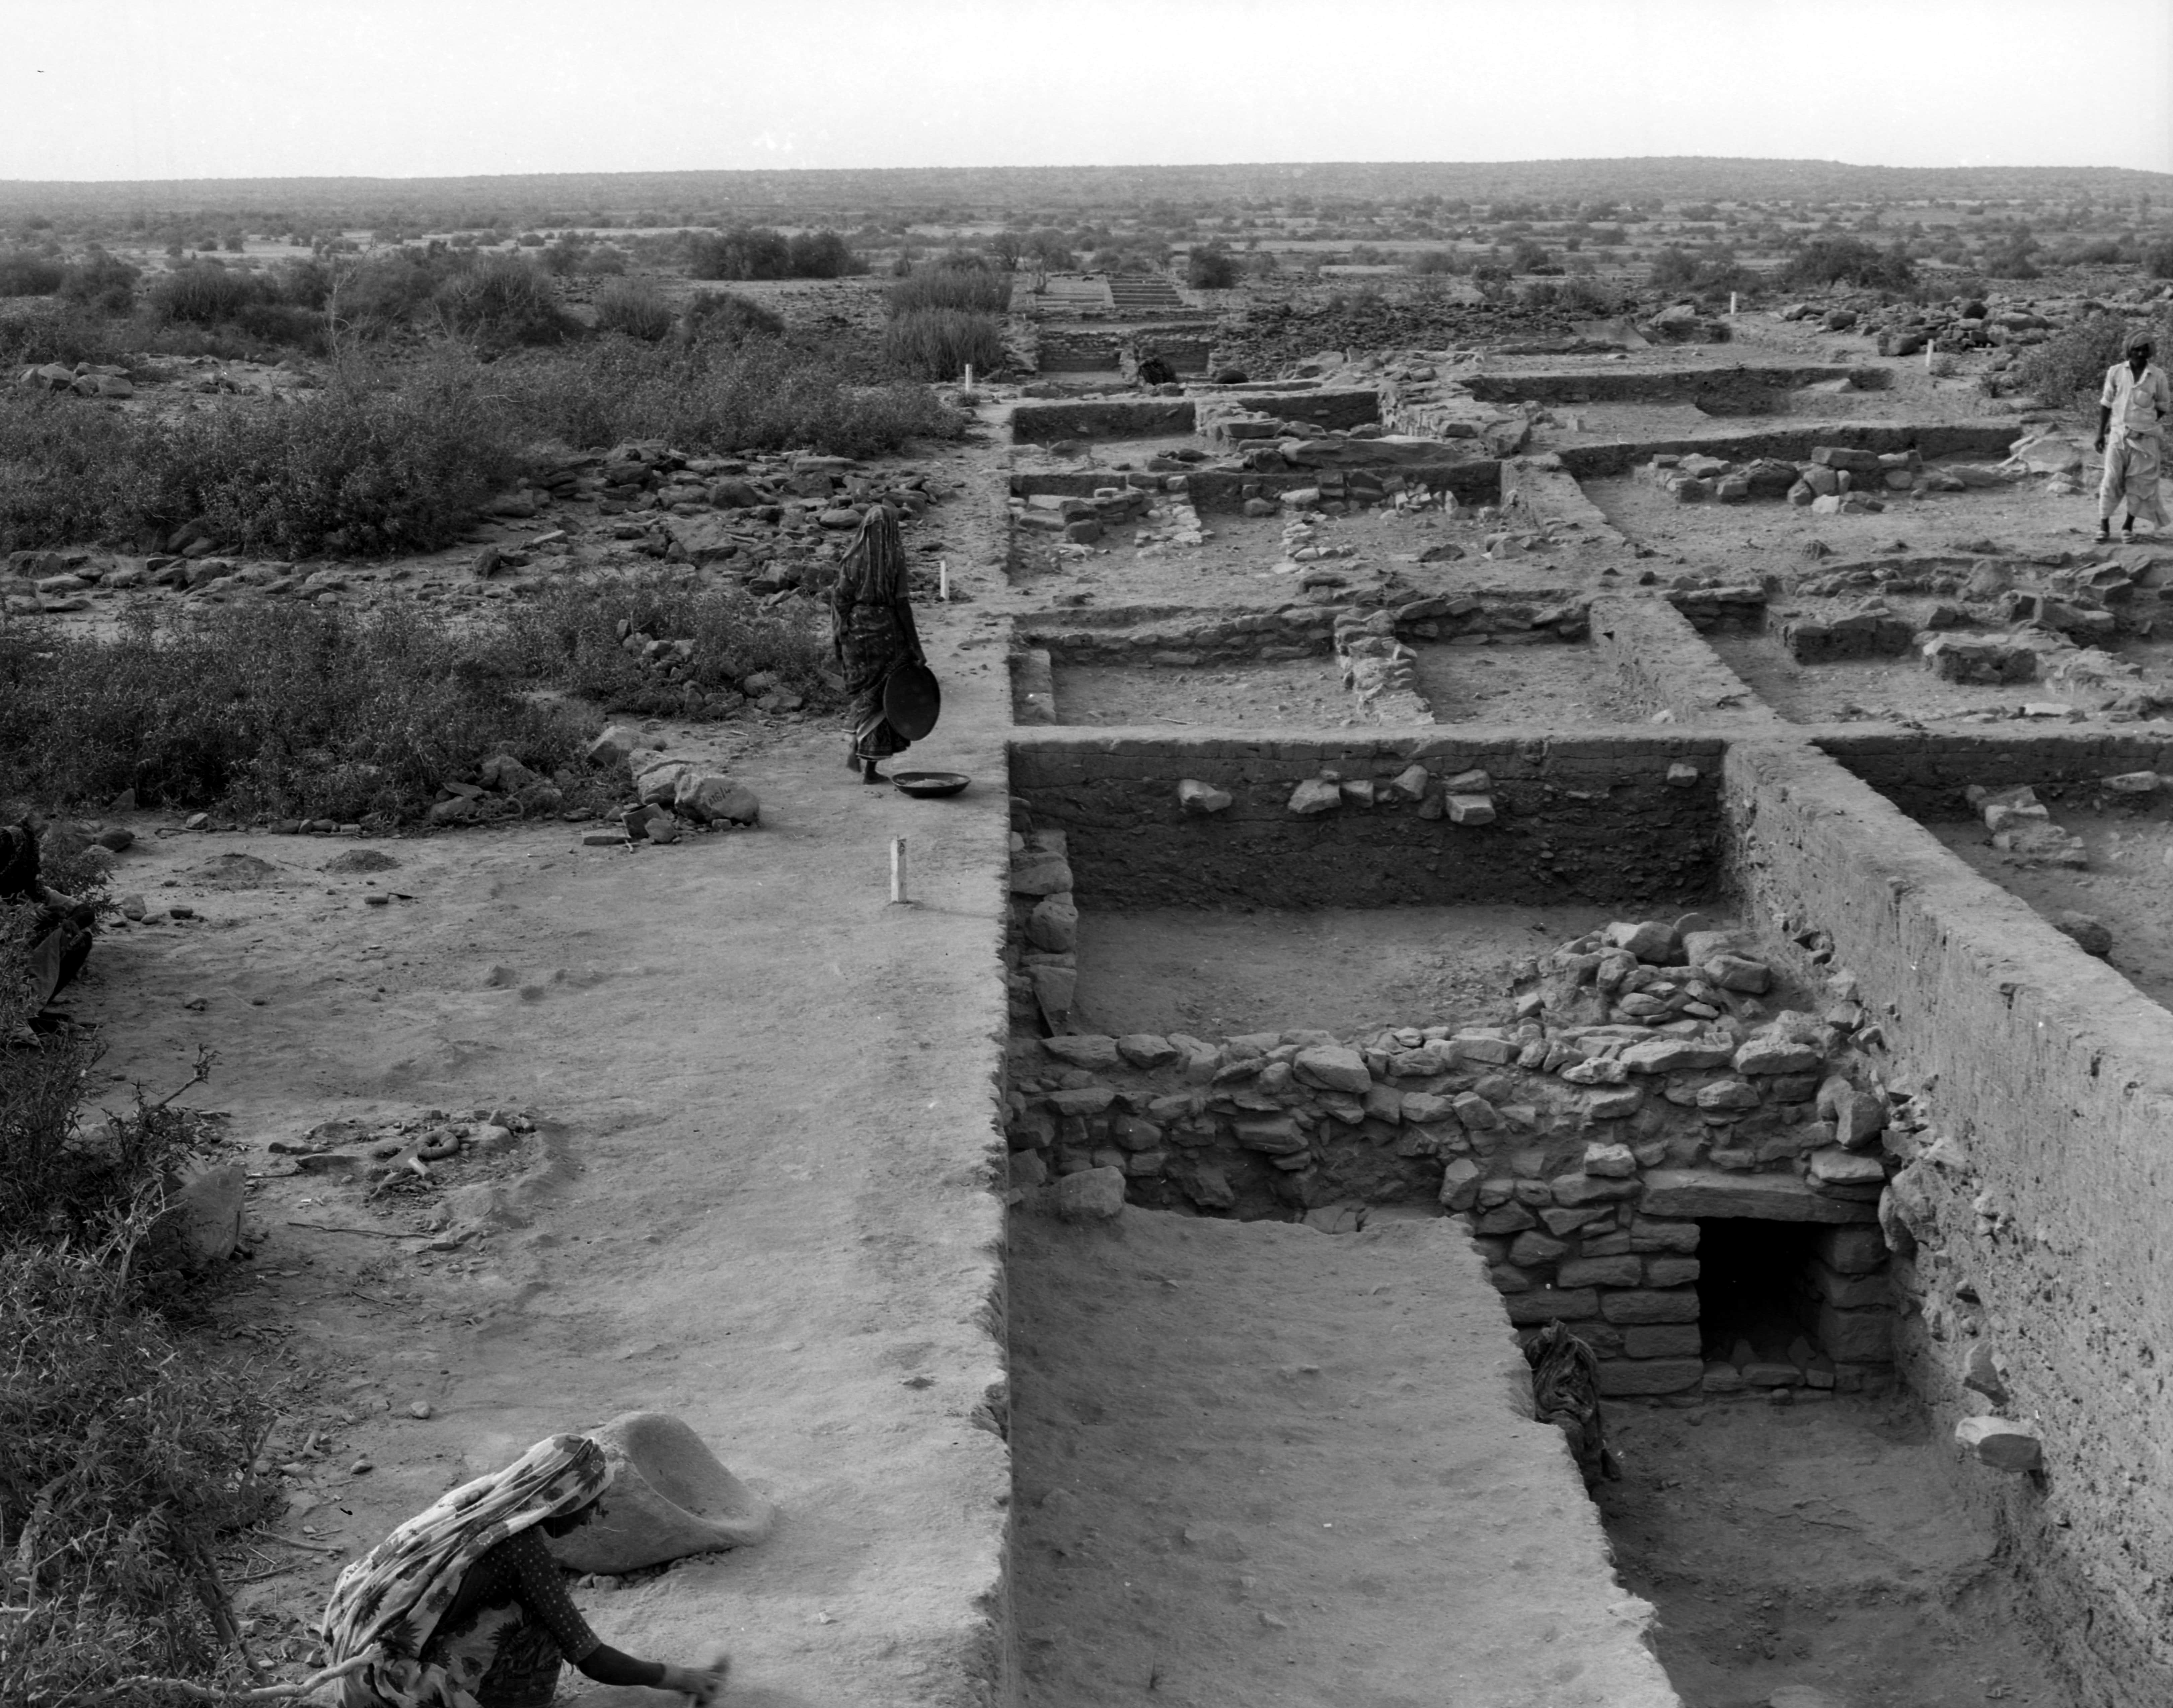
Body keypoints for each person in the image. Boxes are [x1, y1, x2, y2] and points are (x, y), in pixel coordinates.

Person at [322, 1434, 729, 1708]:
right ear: (566, 1499)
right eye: (591, 1504)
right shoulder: (522, 1547)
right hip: (388, 1686)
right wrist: (683, 1678)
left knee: (516, 1602)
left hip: (349, 1652)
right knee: (541, 1619)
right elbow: (592, 1659)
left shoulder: (480, 1496)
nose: (593, 1516)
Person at [829, 505, 924, 784]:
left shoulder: (853, 557)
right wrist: (916, 647)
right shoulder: (895, 558)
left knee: (863, 697)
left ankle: (856, 746)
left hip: (857, 635)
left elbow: (840, 598)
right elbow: (902, 604)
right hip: (888, 634)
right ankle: (870, 769)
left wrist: (843, 633)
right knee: (885, 698)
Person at [0, 819, 93, 1018]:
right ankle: (18, 1015)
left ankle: (32, 1011)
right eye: (31, 863)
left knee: (79, 937)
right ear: (16, 864)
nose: (38, 870)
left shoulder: (35, 892)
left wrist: (71, 922)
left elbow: (85, 910)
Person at [2096, 332, 2171, 543]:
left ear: (2150, 351)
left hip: (2145, 439)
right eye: (2136, 349)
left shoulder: (2158, 376)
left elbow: (2163, 406)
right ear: (2129, 350)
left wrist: (2145, 423)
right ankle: (2104, 526)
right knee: (2111, 480)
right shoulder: (2116, 372)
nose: (2140, 354)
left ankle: (2128, 527)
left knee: (2140, 483)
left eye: (2145, 349)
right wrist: (2100, 434)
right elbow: (2106, 404)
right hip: (2118, 436)